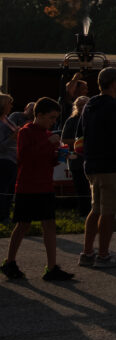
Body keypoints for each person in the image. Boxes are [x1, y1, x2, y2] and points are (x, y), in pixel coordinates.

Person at [1, 97, 74, 282]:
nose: (53, 122)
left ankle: (51, 267)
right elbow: (25, 157)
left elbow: (46, 159)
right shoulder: (26, 131)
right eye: (50, 117)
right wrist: (48, 143)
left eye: (55, 118)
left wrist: (57, 155)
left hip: (45, 185)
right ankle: (10, 261)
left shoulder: (46, 133)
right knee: (22, 225)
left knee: (49, 224)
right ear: (39, 115)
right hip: (28, 187)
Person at [79, 66, 116, 269]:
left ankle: (87, 252)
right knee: (108, 212)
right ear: (113, 83)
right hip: (112, 167)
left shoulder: (90, 104)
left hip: (92, 164)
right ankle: (103, 255)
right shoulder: (115, 108)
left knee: (96, 209)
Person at [60, 94, 91, 218]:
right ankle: (84, 213)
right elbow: (64, 140)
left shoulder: (93, 119)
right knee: (82, 189)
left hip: (92, 161)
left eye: (86, 104)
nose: (83, 107)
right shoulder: (71, 121)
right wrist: (81, 142)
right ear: (76, 107)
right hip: (77, 161)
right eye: (80, 105)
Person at [0, 93, 20, 223]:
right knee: (3, 190)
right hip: (3, 160)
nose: (11, 106)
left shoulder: (7, 119)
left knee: (10, 189)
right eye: (9, 103)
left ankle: (6, 215)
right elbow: (1, 146)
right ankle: (2, 217)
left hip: (12, 160)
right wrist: (14, 135)